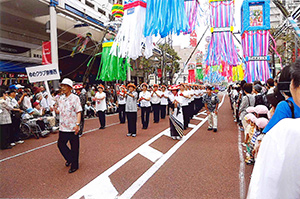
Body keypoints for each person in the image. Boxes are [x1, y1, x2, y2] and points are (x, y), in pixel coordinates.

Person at [54, 78, 82, 174]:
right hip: (63, 126)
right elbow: (59, 111)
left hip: (73, 126)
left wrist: (77, 124)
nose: (63, 88)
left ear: (70, 87)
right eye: (62, 86)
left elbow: (79, 112)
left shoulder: (75, 98)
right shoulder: (61, 99)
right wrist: (54, 108)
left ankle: (75, 165)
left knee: (74, 146)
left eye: (65, 86)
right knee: (61, 144)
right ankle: (70, 158)